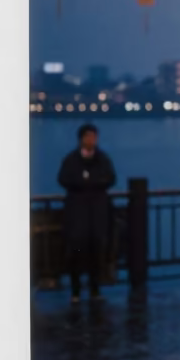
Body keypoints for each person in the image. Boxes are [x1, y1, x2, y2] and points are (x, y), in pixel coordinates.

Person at [57, 124, 117, 303]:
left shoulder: (103, 159)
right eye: (88, 137)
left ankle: (95, 290)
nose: (91, 140)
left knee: (96, 253)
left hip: (97, 214)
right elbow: (63, 179)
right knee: (76, 252)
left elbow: (111, 178)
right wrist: (85, 184)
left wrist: (90, 183)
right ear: (81, 139)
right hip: (77, 214)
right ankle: (75, 291)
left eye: (94, 137)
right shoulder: (71, 159)